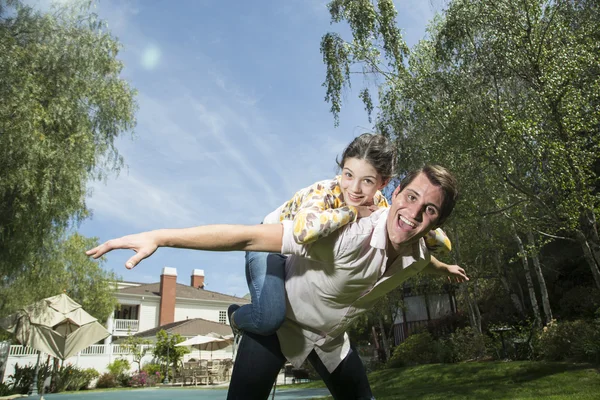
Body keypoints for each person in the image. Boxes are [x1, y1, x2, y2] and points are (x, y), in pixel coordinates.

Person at [87, 164, 466, 399]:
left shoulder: (417, 254)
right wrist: (161, 236)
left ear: (436, 221)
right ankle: (241, 319)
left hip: (330, 342)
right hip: (277, 326)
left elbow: (424, 260)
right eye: (411, 197)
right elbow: (248, 237)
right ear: (395, 193)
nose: (413, 214)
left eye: (428, 209)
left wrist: (444, 269)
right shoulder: (345, 235)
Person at [229, 133, 452, 339]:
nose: (354, 189)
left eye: (367, 181)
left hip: (300, 259)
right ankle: (236, 317)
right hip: (269, 245)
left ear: (383, 183)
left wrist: (442, 262)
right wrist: (354, 212)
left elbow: (430, 242)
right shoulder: (324, 192)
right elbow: (302, 231)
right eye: (348, 175)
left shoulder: (382, 206)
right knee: (269, 318)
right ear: (342, 169)